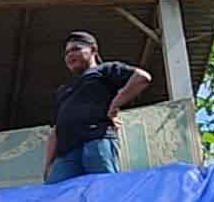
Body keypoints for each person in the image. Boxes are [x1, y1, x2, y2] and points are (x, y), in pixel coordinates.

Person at [45, 30, 153, 182]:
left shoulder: (104, 70)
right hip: (66, 154)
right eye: (67, 53)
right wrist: (48, 164)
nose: (70, 55)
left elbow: (142, 77)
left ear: (93, 50)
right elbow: (55, 130)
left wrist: (115, 104)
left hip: (96, 140)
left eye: (76, 49)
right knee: (55, 196)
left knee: (106, 189)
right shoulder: (63, 89)